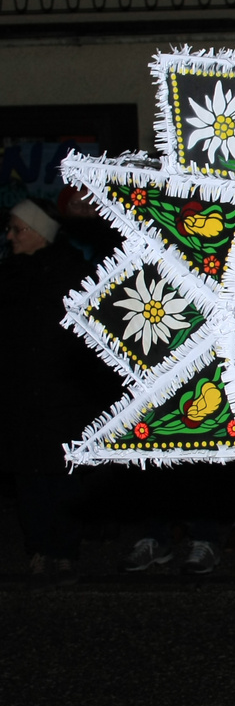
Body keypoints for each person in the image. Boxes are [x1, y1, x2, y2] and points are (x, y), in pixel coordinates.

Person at [0, 198, 117, 588]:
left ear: (38, 232)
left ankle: (65, 552)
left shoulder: (72, 273)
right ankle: (39, 549)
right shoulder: (8, 276)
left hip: (63, 394)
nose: (11, 236)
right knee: (29, 478)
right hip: (21, 396)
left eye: (18, 229)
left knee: (64, 476)